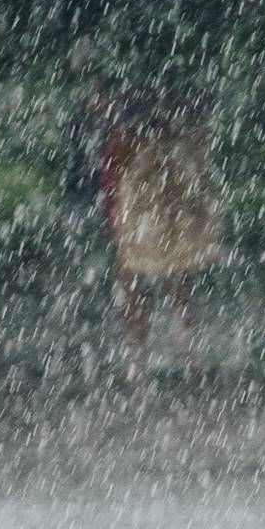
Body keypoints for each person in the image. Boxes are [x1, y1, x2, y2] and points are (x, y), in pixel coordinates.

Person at [95, 90, 218, 382]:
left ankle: (175, 352)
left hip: (158, 188)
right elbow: (116, 164)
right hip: (143, 190)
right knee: (146, 278)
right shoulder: (131, 129)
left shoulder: (167, 130)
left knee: (168, 275)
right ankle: (156, 354)